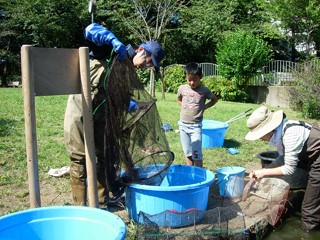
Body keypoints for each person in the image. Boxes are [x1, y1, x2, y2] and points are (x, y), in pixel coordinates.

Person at [64, 22, 165, 206]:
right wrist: (112, 40)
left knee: (104, 156)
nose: (147, 66)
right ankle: (79, 206)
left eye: (151, 65)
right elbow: (89, 30)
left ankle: (102, 201)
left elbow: (120, 97)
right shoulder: (111, 50)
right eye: (149, 61)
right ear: (141, 49)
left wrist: (131, 104)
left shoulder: (129, 72)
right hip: (80, 106)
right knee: (79, 157)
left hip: (103, 115)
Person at [245, 105, 320, 232]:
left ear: (268, 130)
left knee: (309, 210)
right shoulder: (281, 132)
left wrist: (264, 172)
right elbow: (283, 158)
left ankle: (309, 233)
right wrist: (265, 170)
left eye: (260, 135)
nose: (260, 139)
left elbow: (289, 169)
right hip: (311, 158)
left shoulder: (290, 134)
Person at [177, 62, 218, 168]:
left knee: (196, 153)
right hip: (183, 125)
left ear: (200, 77)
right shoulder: (182, 88)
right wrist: (184, 106)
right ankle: (191, 172)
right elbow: (179, 99)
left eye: (195, 79)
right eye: (189, 80)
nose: (192, 82)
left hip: (195, 126)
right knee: (188, 152)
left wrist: (204, 107)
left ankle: (199, 173)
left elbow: (214, 99)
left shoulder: (204, 90)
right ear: (186, 77)